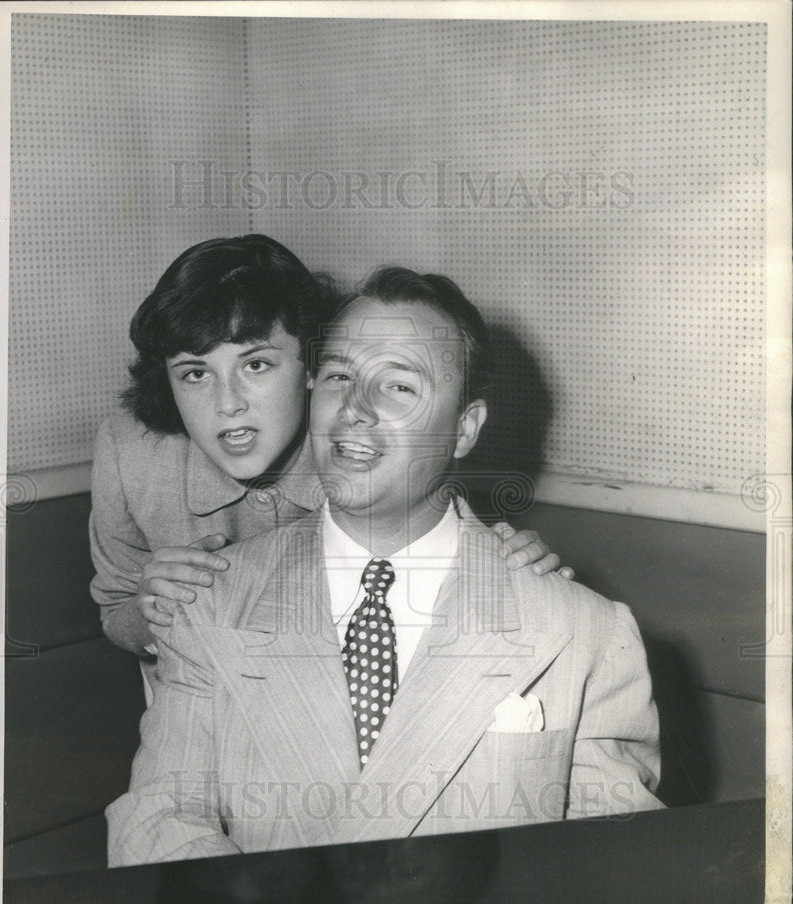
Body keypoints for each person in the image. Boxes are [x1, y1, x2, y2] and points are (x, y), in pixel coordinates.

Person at [106, 266, 662, 866]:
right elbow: (160, 818)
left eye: (399, 387)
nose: (355, 410)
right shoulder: (210, 604)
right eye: (340, 376)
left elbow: (610, 866)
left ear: (464, 428)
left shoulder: (586, 632)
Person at [89, 235, 568, 671]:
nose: (227, 404)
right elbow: (116, 613)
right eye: (195, 374)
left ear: (311, 369)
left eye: (256, 365)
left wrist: (513, 563)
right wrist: (148, 608)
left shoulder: (362, 457)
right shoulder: (131, 455)